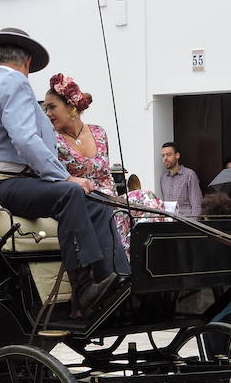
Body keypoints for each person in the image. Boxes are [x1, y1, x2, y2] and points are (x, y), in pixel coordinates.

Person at [0, 27, 126, 316]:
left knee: (97, 203)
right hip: (6, 183)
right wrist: (64, 177)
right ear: (28, 62)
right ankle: (84, 291)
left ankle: (115, 280)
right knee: (69, 193)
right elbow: (24, 139)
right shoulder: (16, 84)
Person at [43, 72, 164, 254]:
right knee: (112, 214)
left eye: (52, 107)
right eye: (46, 108)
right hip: (85, 204)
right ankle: (125, 266)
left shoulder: (99, 132)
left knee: (147, 198)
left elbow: (106, 175)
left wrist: (117, 201)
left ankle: (153, 258)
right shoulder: (51, 139)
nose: (47, 113)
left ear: (71, 107)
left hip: (111, 200)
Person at [159, 141, 202, 217]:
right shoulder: (163, 178)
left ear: (177, 155)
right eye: (163, 156)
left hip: (186, 223)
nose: (165, 158)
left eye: (169, 155)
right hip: (169, 224)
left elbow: (197, 205)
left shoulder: (189, 175)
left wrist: (191, 226)